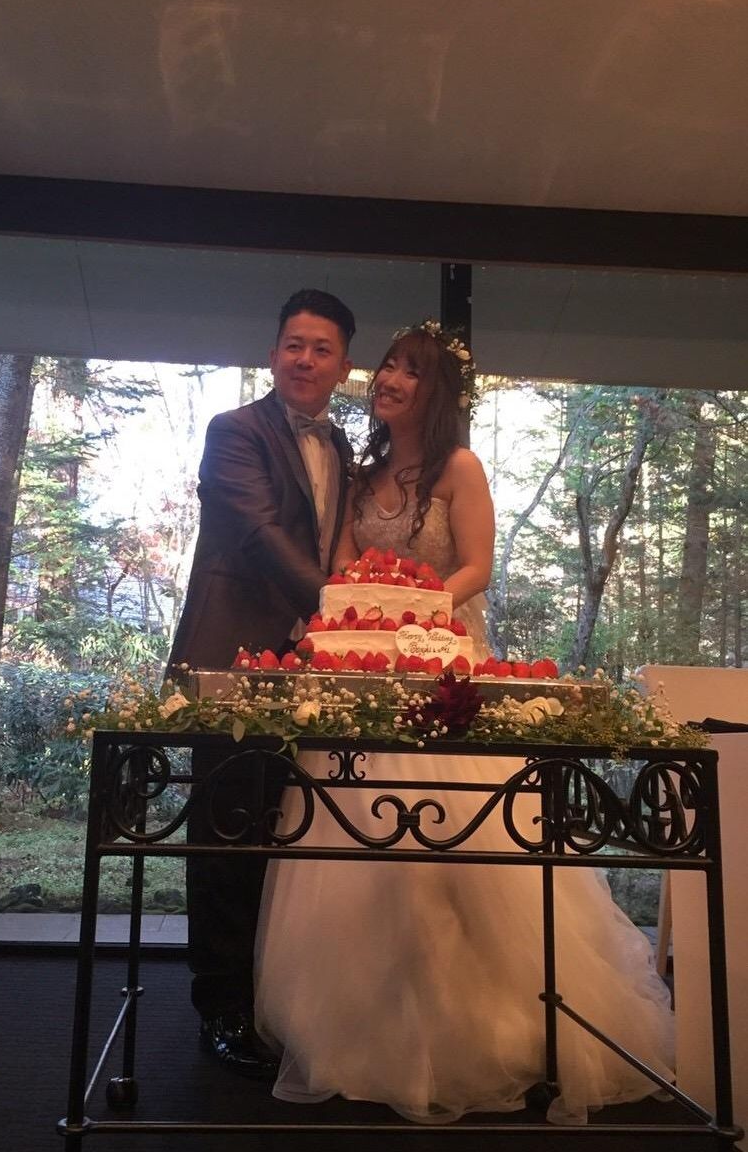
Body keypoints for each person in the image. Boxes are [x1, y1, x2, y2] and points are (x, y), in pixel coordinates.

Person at [254, 321, 676, 1124]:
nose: (390, 379)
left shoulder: (461, 467)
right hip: (365, 681)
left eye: (410, 370)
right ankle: (361, 1034)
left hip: (446, 671)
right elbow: (342, 564)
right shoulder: (363, 471)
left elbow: (477, 565)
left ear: (437, 390)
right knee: (356, 860)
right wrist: (365, 605)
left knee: (457, 856)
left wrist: (412, 610)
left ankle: (485, 1033)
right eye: (387, 365)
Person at [168, 289, 356, 1078]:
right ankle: (220, 1008)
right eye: (293, 345)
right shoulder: (234, 430)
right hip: (232, 654)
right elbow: (256, 530)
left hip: (308, 664)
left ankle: (275, 1000)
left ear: (343, 365)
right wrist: (341, 605)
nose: (304, 360)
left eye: (321, 349)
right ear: (274, 353)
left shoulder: (342, 445)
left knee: (286, 835)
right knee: (224, 833)